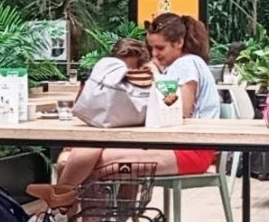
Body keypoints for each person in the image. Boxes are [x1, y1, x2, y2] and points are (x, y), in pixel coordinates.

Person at [56, 13, 221, 187]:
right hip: (175, 145)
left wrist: (155, 75)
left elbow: (180, 112)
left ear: (179, 43)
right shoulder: (179, 66)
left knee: (71, 162)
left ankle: (57, 210)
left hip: (189, 150)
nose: (154, 54)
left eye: (160, 48)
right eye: (151, 49)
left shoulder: (186, 63)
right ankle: (62, 211)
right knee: (78, 156)